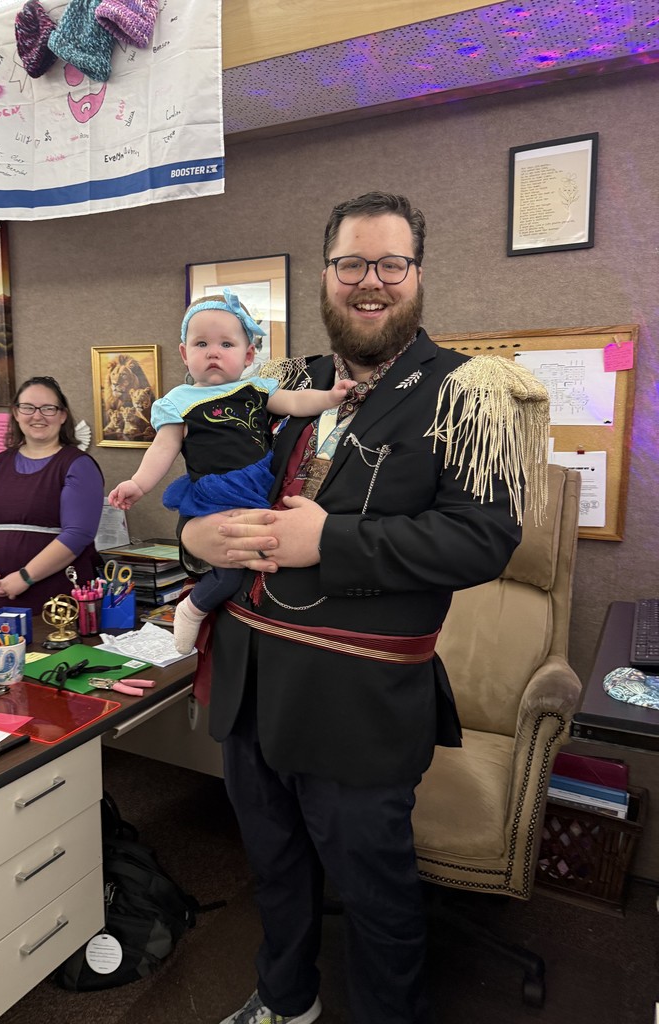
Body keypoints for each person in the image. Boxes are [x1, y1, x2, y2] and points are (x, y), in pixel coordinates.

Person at [179, 192, 547, 1024]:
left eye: (391, 264)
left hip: (360, 697)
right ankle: (287, 1001)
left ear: (417, 276)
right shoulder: (288, 384)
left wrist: (331, 543)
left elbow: (483, 541)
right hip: (250, 681)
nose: (369, 282)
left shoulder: (469, 392)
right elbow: (213, 486)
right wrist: (195, 537)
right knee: (272, 866)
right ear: (327, 275)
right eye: (352, 264)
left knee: (375, 893)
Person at [108, 289, 356, 655]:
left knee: (262, 549)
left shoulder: (256, 389)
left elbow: (297, 403)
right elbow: (162, 449)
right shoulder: (178, 401)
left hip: (259, 486)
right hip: (215, 492)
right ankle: (192, 608)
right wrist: (137, 483)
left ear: (248, 355)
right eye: (202, 343)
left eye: (226, 343)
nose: (213, 352)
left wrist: (331, 397)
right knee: (231, 564)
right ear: (184, 353)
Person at [0, 375, 104, 616]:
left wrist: (25, 577)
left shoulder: (78, 465)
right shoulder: (0, 462)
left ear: (62, 416)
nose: (37, 416)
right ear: (16, 413)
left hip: (56, 597)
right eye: (28, 407)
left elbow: (77, 534)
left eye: (48, 409)